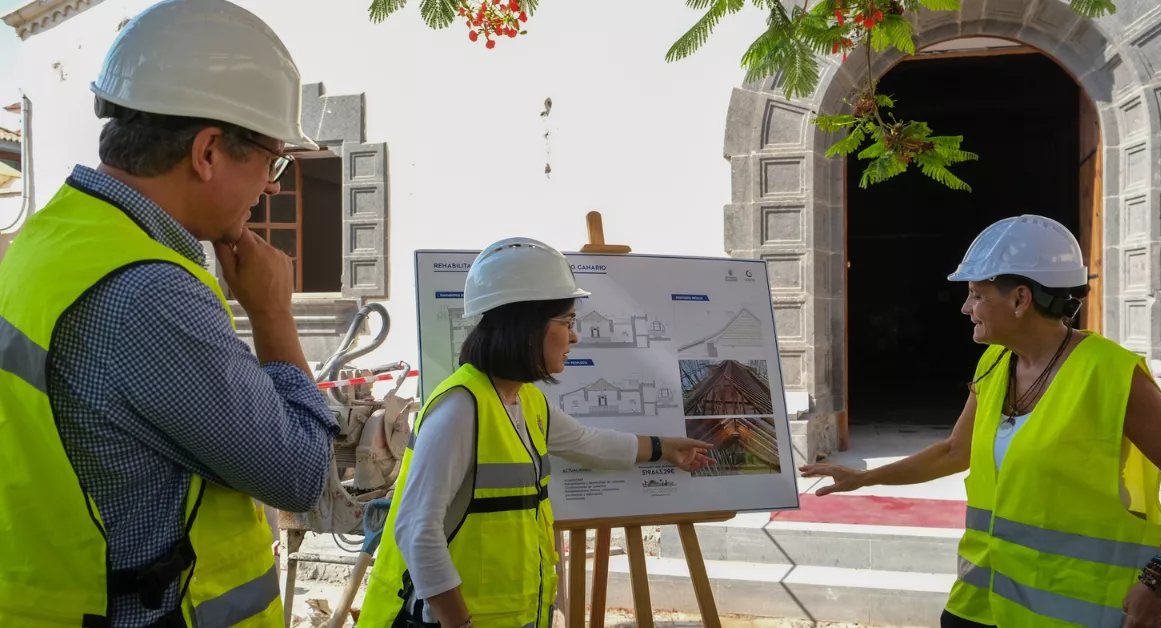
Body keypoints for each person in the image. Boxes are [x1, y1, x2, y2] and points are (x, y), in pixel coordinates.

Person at [0, 0, 338, 626]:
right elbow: (300, 475)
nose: (271, 186)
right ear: (208, 151)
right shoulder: (149, 296)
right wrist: (273, 316)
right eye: (271, 160)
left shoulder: (52, 239)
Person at [799, 215, 1161, 628]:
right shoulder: (995, 363)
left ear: (1020, 299)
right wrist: (865, 478)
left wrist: (1159, 581)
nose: (965, 307)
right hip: (980, 601)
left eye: (975, 294)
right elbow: (955, 452)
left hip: (1073, 610)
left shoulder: (1111, 374)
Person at [356, 237, 715, 628]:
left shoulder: (526, 401)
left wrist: (664, 449)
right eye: (567, 323)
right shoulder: (460, 408)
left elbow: (586, 443)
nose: (575, 337)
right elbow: (415, 528)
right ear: (527, 327)